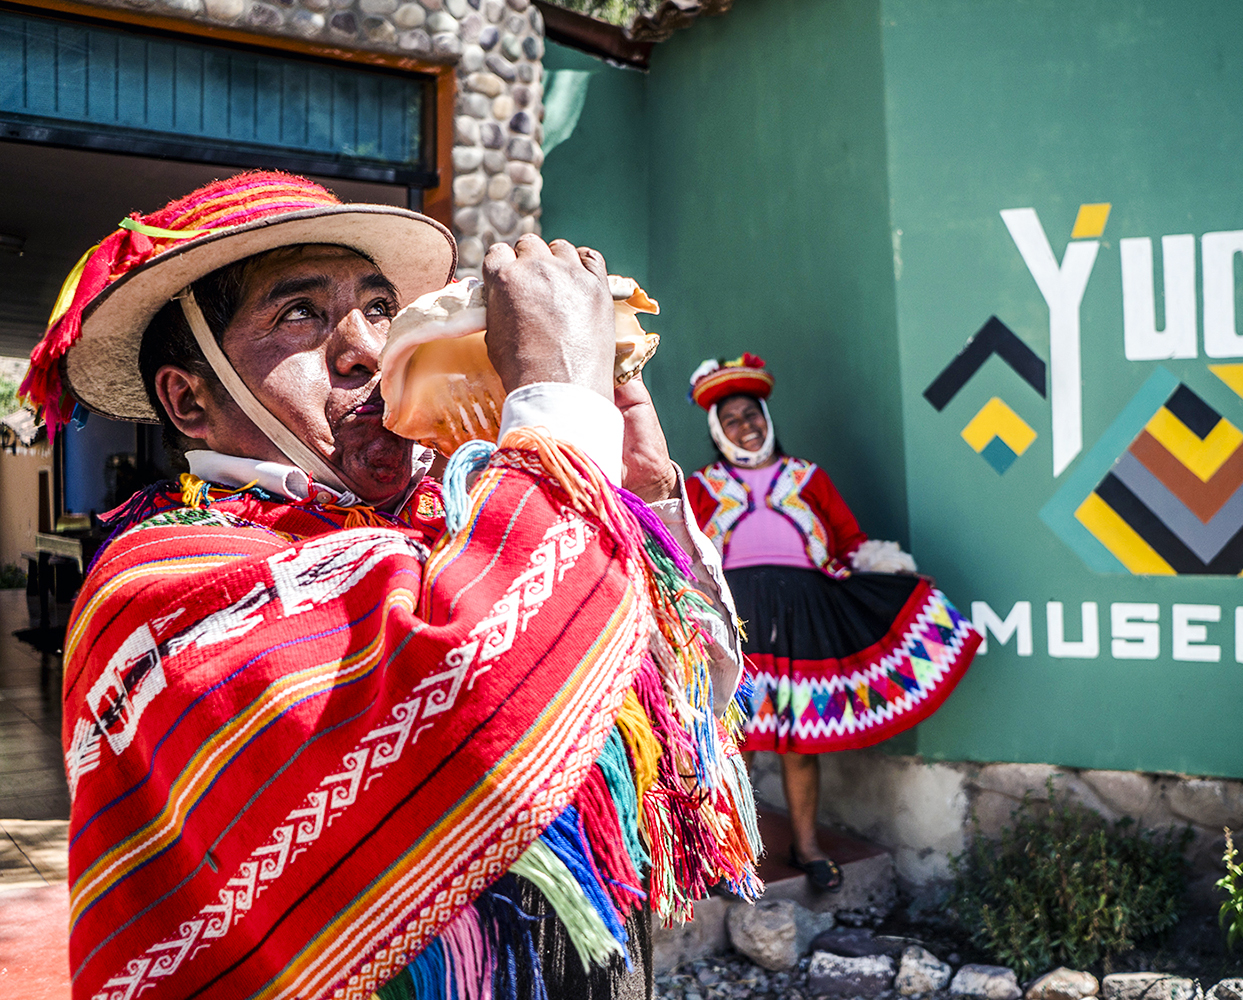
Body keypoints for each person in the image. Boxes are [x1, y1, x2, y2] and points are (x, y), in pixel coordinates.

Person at [23, 171, 761, 1000]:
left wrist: (640, 488)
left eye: (380, 309)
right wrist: (556, 410)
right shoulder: (158, 585)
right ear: (188, 401)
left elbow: (682, 700)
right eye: (299, 314)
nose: (368, 351)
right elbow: (476, 709)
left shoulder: (467, 515)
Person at [684, 354, 980, 892]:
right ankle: (731, 857)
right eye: (732, 420)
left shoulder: (808, 478)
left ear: (767, 418)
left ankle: (807, 846)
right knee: (736, 742)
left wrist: (892, 578)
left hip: (804, 617)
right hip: (735, 622)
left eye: (752, 415)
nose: (746, 426)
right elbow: (684, 553)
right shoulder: (702, 486)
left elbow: (848, 540)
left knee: (800, 741)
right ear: (717, 431)